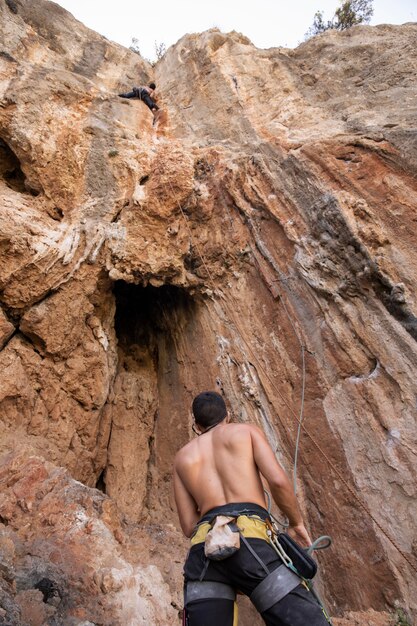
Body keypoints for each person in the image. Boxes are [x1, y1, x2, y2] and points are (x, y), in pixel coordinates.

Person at [173, 391, 330, 626]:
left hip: (204, 550)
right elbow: (277, 481)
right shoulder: (245, 432)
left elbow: (188, 525)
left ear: (196, 425)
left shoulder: (182, 458)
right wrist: (296, 523)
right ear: (227, 415)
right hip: (250, 541)